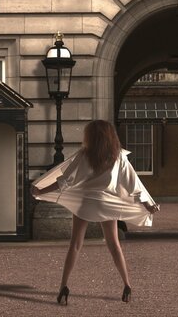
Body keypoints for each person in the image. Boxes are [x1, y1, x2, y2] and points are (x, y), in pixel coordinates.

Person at [31, 120, 160, 305]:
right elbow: (133, 185)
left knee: (75, 244)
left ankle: (64, 287)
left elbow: (64, 181)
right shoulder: (119, 157)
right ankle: (127, 285)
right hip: (108, 205)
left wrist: (40, 191)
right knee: (114, 245)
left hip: (86, 204)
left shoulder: (84, 155)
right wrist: (149, 205)